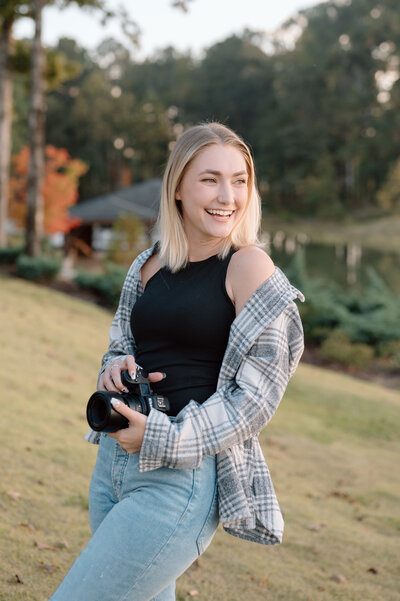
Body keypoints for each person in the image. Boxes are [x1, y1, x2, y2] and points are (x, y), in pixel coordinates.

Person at [50, 122, 304, 601]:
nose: (227, 195)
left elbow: (255, 400)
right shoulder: (149, 262)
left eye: (240, 180)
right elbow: (120, 343)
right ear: (179, 188)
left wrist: (165, 437)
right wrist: (114, 366)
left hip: (178, 482)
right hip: (113, 469)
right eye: (210, 179)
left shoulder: (249, 267)